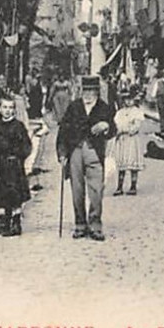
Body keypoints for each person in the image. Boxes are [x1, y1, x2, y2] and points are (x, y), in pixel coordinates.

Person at [56, 76, 114, 240]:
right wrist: (62, 153)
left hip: (94, 151)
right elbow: (63, 131)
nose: (88, 94)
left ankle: (95, 224)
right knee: (77, 190)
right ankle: (80, 224)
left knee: (96, 190)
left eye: (91, 91)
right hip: (75, 150)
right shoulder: (74, 107)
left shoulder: (104, 108)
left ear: (97, 91)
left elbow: (114, 128)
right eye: (85, 91)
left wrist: (106, 126)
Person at [0, 95, 32, 237]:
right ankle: (5, 222)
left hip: (14, 165)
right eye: (4, 107)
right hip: (0, 165)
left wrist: (18, 156)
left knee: (15, 194)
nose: (7, 110)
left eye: (11, 108)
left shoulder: (18, 126)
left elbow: (27, 146)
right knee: (3, 193)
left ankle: (16, 223)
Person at [112, 87, 145, 196]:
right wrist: (117, 130)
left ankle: (133, 186)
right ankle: (119, 186)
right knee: (122, 162)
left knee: (132, 161)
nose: (128, 102)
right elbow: (116, 124)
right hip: (122, 139)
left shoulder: (136, 112)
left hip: (131, 139)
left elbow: (136, 126)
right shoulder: (120, 112)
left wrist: (126, 129)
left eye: (130, 99)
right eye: (126, 99)